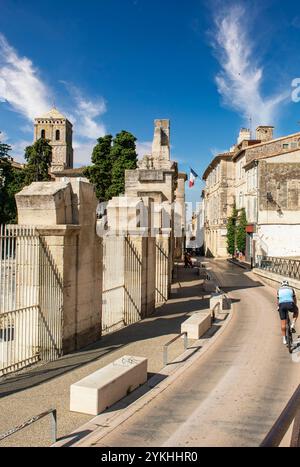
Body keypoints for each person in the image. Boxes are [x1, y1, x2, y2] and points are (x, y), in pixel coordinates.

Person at [277, 280, 298, 345]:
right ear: (287, 285)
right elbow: (294, 299)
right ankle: (292, 325)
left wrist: (278, 307)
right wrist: (295, 305)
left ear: (282, 285)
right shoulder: (291, 289)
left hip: (282, 305)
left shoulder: (279, 290)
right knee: (296, 311)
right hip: (290, 304)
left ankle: (284, 339)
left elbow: (278, 300)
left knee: (283, 323)